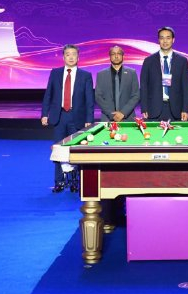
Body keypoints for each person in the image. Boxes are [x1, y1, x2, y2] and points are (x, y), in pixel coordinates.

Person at [41, 44, 94, 193]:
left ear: (78, 57)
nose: (71, 57)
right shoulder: (55, 73)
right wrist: (44, 114)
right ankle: (59, 181)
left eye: (74, 54)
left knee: (75, 150)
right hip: (59, 116)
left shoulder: (85, 75)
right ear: (63, 57)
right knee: (58, 149)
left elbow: (89, 100)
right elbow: (48, 95)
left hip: (77, 117)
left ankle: (75, 182)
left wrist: (89, 119)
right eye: (68, 54)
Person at [140, 26, 188, 121]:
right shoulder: (148, 61)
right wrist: (144, 108)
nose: (165, 41)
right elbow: (144, 86)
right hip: (153, 108)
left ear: (173, 40)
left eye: (168, 38)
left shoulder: (182, 61)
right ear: (158, 40)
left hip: (176, 109)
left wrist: (185, 109)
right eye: (162, 38)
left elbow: (185, 87)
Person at [95, 45, 140, 122]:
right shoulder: (101, 74)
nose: (116, 56)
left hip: (128, 118)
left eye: (119, 53)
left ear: (123, 56)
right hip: (107, 118)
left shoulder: (132, 73)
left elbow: (136, 95)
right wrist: (112, 114)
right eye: (113, 54)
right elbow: (98, 97)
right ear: (109, 57)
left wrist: (123, 113)